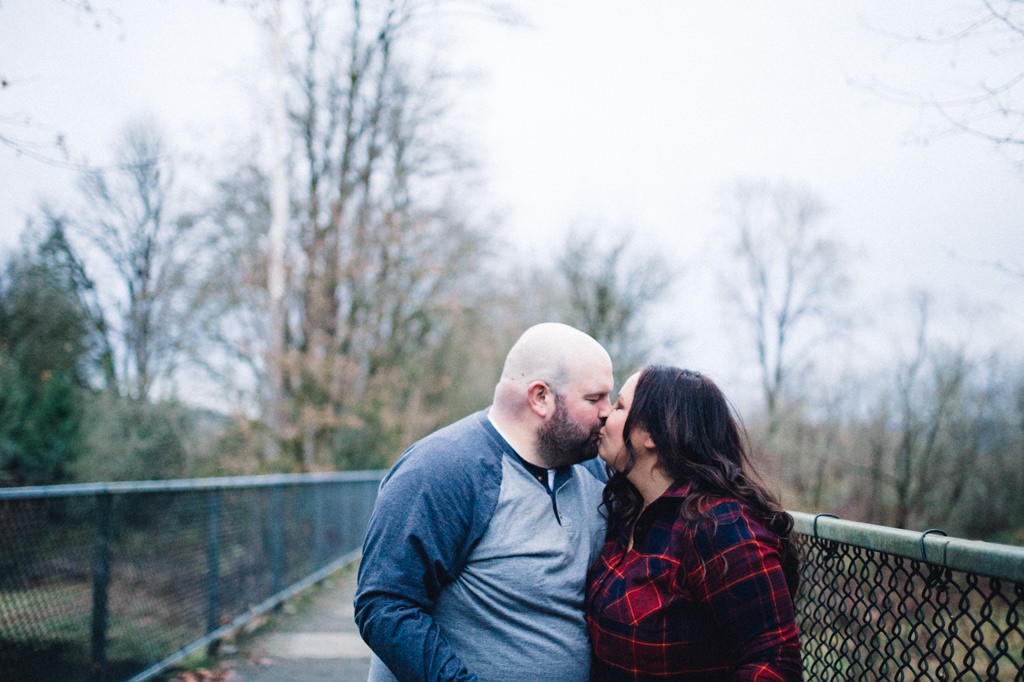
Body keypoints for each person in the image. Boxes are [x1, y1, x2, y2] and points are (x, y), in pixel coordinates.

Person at [354, 322, 614, 682]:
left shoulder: (597, 472)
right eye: (594, 398)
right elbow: (385, 605)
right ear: (541, 397)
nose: (608, 411)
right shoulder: (442, 470)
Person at [586, 366, 802, 681]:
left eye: (619, 406)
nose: (605, 415)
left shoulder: (721, 527)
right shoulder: (629, 512)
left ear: (652, 434)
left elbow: (775, 663)